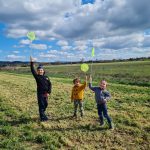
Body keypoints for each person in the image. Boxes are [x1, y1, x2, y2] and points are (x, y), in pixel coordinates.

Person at [30, 56, 52, 122]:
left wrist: (48, 92)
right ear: (37, 71)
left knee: (45, 104)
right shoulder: (37, 77)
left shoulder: (46, 77)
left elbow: (50, 85)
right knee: (41, 105)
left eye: (41, 70)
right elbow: (32, 70)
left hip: (46, 94)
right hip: (40, 94)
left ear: (43, 71)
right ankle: (43, 118)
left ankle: (43, 113)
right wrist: (32, 62)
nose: (40, 71)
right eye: (39, 70)